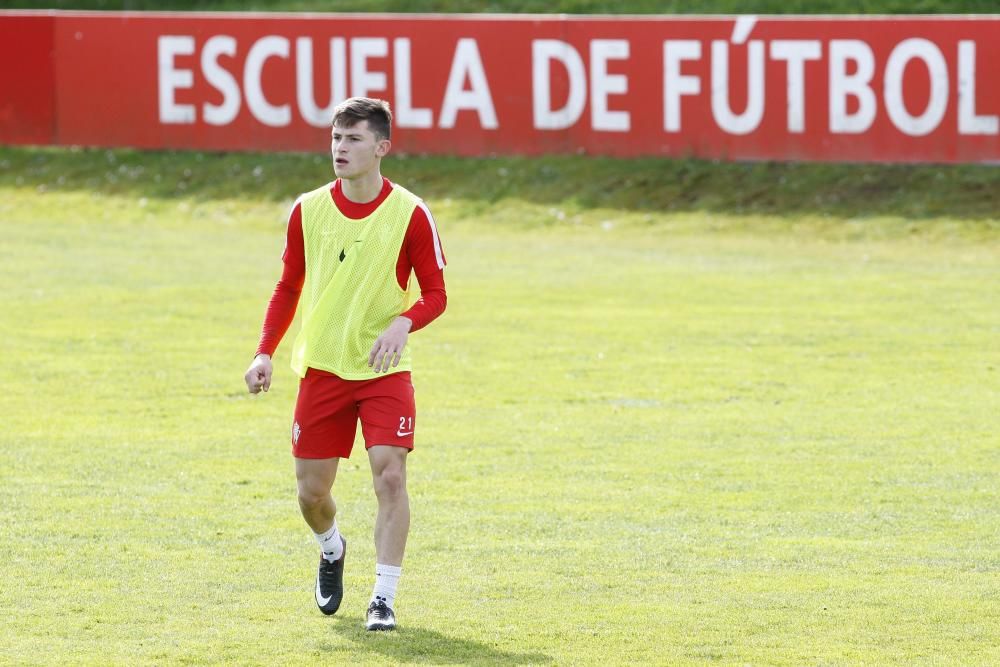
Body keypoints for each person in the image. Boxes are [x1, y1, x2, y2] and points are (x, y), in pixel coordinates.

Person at [243, 97, 447, 632]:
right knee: (311, 494)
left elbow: (437, 293)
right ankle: (331, 548)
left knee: (391, 477)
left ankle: (383, 598)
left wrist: (404, 322)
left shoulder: (410, 213)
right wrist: (265, 350)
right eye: (336, 137)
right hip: (324, 369)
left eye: (353, 139)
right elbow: (287, 286)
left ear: (381, 148)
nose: (340, 148)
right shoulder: (307, 209)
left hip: (383, 371)